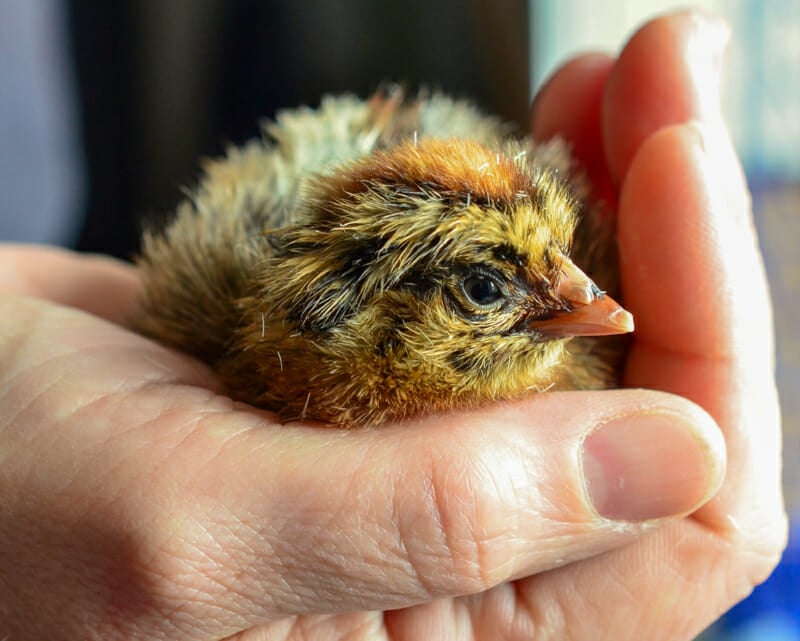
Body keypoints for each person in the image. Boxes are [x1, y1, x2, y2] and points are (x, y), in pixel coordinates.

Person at [0, 10, 786, 641]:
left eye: (566, 255)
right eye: (485, 288)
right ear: (371, 324)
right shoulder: (230, 332)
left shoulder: (574, 346)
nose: (591, 298)